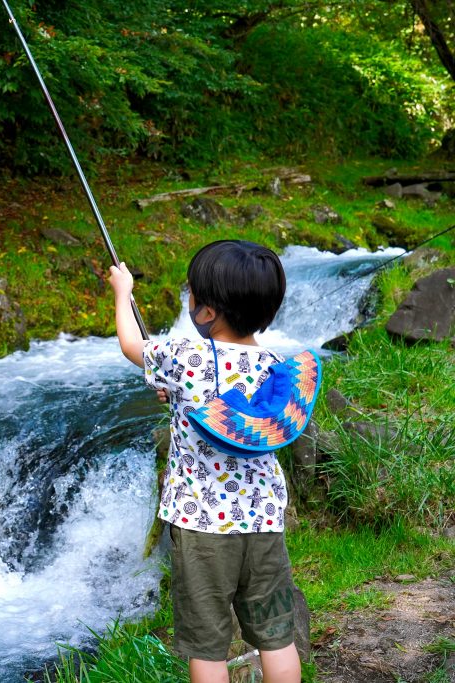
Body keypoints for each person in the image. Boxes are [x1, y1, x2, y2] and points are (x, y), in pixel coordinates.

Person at [107, 240, 301, 683]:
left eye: (191, 293)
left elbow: (132, 345)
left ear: (208, 312)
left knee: (207, 645)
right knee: (276, 637)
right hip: (265, 521)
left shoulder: (184, 358)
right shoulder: (278, 369)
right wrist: (176, 393)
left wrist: (123, 292)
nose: (188, 300)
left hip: (202, 525)